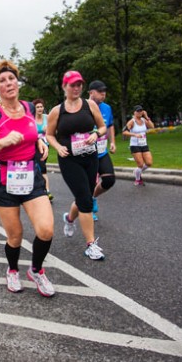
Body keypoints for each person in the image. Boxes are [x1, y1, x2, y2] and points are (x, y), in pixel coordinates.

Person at [0, 60, 55, 297]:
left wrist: (38, 141)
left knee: (46, 229)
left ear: (17, 82)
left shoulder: (28, 107)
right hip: (3, 180)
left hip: (31, 176)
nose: (8, 83)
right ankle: (12, 270)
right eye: (2, 81)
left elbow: (33, 131)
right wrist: (2, 142)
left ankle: (36, 270)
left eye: (11, 78)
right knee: (15, 235)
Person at [46, 70, 107, 261]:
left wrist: (96, 134)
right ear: (64, 87)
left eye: (79, 84)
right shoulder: (57, 111)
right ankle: (91, 245)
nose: (76, 88)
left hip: (90, 157)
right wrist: (58, 147)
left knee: (85, 195)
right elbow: (49, 135)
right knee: (85, 199)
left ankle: (69, 218)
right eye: (72, 84)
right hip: (69, 160)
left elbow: (102, 126)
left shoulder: (90, 105)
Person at [87, 80, 117, 221]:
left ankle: (93, 197)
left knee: (109, 180)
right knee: (89, 184)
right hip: (87, 153)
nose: (103, 94)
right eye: (100, 92)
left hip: (102, 151)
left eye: (104, 91)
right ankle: (86, 210)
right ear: (91, 93)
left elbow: (109, 125)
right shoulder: (82, 107)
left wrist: (113, 142)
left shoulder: (107, 108)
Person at [123, 105, 155, 186]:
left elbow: (152, 126)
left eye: (141, 111)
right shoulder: (132, 122)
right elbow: (124, 132)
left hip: (144, 144)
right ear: (134, 112)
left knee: (149, 163)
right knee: (140, 164)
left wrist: (147, 117)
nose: (140, 112)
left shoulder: (144, 120)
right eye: (138, 111)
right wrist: (135, 134)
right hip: (135, 145)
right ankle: (138, 180)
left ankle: (136, 171)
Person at [32, 98, 53, 201]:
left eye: (41, 106)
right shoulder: (31, 119)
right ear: (34, 109)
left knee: (40, 167)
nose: (40, 109)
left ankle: (39, 188)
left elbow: (55, 131)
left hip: (46, 145)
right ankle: (47, 191)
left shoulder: (47, 117)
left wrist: (48, 129)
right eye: (37, 107)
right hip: (35, 145)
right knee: (42, 167)